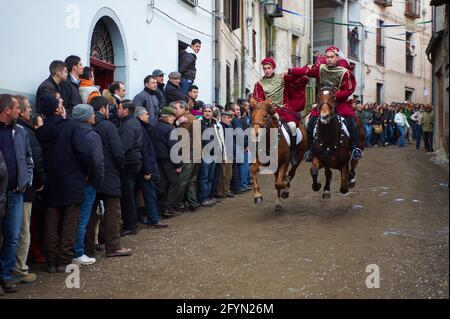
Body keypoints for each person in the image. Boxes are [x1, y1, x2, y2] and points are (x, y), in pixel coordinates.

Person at [37, 95, 93, 273]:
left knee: (51, 223)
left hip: (50, 183)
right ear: (56, 109)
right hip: (71, 181)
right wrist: (85, 172)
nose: (63, 105)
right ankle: (63, 260)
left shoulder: (41, 130)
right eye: (60, 103)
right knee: (70, 223)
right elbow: (84, 152)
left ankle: (52, 261)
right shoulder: (70, 126)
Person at [290, 46, 363, 161]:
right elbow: (306, 71)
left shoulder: (345, 73)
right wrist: (291, 71)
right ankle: (310, 150)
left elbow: (349, 90)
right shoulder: (321, 69)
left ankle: (354, 149)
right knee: (310, 125)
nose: (329, 59)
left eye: (332, 57)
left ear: (337, 58)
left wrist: (334, 96)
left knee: (351, 123)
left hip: (340, 102)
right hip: (323, 102)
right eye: (327, 57)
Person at [88, 96, 132, 257]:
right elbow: (118, 153)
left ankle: (88, 247)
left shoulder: (87, 126)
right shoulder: (108, 127)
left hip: (91, 175)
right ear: (103, 109)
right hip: (110, 174)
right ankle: (113, 246)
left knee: (90, 212)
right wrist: (119, 170)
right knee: (113, 211)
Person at [0, 94, 34, 293]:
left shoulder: (20, 131)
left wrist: (26, 179)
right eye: (16, 109)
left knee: (13, 237)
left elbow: (28, 157)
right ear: (7, 110)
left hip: (16, 193)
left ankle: (5, 276)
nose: (19, 112)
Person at [13, 96, 45, 284]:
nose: (27, 111)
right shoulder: (25, 132)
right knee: (23, 229)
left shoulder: (21, 130)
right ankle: (19, 269)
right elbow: (33, 158)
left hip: (20, 186)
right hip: (23, 188)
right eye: (26, 108)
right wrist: (38, 180)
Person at [253, 57, 309, 165]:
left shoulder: (282, 78)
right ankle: (261, 154)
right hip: (268, 111)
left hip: (284, 109)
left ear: (273, 68)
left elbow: (295, 79)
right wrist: (266, 104)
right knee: (258, 127)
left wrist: (299, 71)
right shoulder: (259, 83)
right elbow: (258, 98)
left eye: (269, 68)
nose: (267, 70)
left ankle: (292, 152)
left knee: (292, 126)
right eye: (264, 68)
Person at [71, 104, 105, 266]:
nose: (94, 116)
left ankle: (69, 250)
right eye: (92, 114)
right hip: (87, 182)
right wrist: (98, 182)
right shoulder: (92, 135)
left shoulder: (69, 131)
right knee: (83, 218)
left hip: (70, 180)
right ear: (86, 117)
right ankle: (77, 252)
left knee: (70, 218)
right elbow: (98, 162)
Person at [135, 107, 168, 227]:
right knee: (150, 194)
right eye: (146, 114)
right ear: (139, 116)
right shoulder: (141, 129)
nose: (148, 116)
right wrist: (148, 170)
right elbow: (144, 151)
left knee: (138, 195)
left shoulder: (143, 128)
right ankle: (153, 218)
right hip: (144, 169)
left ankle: (139, 218)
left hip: (140, 167)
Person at [117, 100, 143, 237]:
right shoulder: (132, 122)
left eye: (119, 108)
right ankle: (131, 223)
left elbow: (124, 146)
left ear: (126, 110)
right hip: (134, 161)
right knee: (130, 194)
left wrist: (117, 159)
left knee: (127, 196)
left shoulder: (128, 125)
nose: (117, 110)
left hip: (129, 163)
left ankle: (130, 225)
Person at [150, 107, 181, 217]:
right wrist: (178, 164)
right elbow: (174, 148)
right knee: (174, 183)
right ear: (168, 116)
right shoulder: (170, 129)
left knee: (162, 184)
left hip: (157, 160)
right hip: (168, 160)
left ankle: (160, 208)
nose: (174, 118)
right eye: (172, 116)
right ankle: (168, 207)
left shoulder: (153, 127)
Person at [172, 100, 201, 212]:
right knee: (191, 180)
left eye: (176, 108)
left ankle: (178, 205)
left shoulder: (184, 120)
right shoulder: (193, 118)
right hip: (197, 152)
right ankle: (193, 203)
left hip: (189, 153)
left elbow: (180, 139)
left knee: (182, 181)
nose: (175, 111)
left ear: (183, 108)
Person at [198, 105, 219, 207]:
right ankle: (203, 198)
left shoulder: (214, 123)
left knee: (211, 177)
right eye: (205, 111)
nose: (207, 113)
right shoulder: (200, 123)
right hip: (205, 154)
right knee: (204, 177)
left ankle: (209, 196)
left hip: (214, 153)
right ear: (202, 112)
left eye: (209, 111)